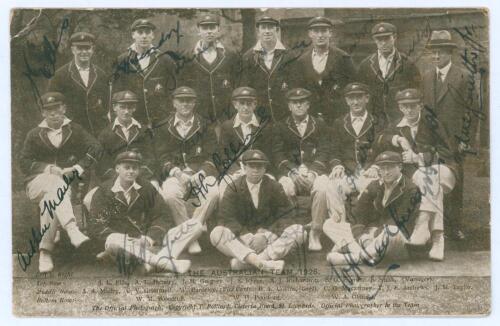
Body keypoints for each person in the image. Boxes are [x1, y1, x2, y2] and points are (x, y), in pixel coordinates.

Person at [19, 92, 102, 272]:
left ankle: (45, 252)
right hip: (36, 184)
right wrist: (48, 169)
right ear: (43, 113)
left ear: (64, 109)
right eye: (49, 111)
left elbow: (96, 148)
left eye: (57, 109)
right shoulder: (34, 134)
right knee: (55, 183)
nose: (54, 114)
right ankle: (72, 229)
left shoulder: (75, 130)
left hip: (63, 187)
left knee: (50, 200)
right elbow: (24, 162)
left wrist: (78, 168)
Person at [86, 151, 204, 274]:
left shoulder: (147, 187)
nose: (131, 171)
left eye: (135, 168)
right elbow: (96, 225)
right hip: (121, 243)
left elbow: (163, 215)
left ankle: (150, 264)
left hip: (146, 240)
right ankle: (164, 262)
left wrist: (148, 239)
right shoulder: (104, 191)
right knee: (114, 241)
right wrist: (127, 239)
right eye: (126, 167)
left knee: (195, 225)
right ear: (117, 168)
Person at [375, 88, 458, 260]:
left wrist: (419, 156)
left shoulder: (432, 122)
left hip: (444, 170)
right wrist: (396, 139)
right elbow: (379, 140)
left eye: (413, 106)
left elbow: (449, 153)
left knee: (430, 174)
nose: (409, 110)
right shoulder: (397, 127)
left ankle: (422, 225)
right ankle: (437, 239)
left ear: (421, 105)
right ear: (399, 108)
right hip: (422, 175)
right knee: (429, 179)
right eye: (405, 106)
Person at [309, 82, 385, 251]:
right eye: (351, 98)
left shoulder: (378, 122)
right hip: (348, 172)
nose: (355, 102)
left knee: (372, 187)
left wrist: (376, 166)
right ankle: (340, 234)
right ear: (346, 101)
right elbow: (334, 150)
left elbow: (383, 148)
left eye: (359, 97)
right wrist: (336, 165)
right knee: (332, 186)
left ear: (367, 99)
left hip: (369, 172)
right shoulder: (338, 123)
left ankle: (366, 233)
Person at [210, 150, 306, 274]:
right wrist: (247, 236)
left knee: (299, 231)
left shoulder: (274, 186)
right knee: (217, 232)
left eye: (259, 166)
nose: (255, 170)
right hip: (243, 241)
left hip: (268, 240)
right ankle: (261, 263)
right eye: (251, 166)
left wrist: (266, 236)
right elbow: (226, 217)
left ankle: (248, 263)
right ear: (244, 168)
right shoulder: (233, 187)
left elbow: (286, 216)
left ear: (265, 169)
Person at [422, 30, 476, 240]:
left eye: (441, 53)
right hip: (431, 139)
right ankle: (435, 227)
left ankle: (455, 227)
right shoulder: (427, 76)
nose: (436, 57)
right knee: (431, 180)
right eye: (433, 53)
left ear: (449, 53)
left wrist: (465, 139)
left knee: (455, 181)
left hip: (453, 140)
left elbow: (471, 111)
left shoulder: (464, 76)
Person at [325, 151, 421, 266]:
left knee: (391, 232)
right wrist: (362, 237)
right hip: (369, 236)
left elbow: (399, 222)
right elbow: (358, 214)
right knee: (329, 224)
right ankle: (367, 254)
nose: (386, 172)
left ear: (400, 167)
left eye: (390, 168)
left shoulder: (411, 189)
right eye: (382, 168)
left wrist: (373, 235)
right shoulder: (374, 185)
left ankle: (353, 257)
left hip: (397, 240)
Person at [156, 86, 220, 254]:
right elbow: (162, 157)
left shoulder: (205, 125)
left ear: (194, 103)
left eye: (189, 101)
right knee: (169, 194)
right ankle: (191, 236)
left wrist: (202, 173)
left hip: (200, 173)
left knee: (213, 192)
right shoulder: (163, 126)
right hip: (176, 174)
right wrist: (177, 172)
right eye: (181, 100)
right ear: (174, 103)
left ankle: (188, 235)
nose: (185, 104)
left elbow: (214, 156)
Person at [272, 88, 332, 249]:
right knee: (284, 187)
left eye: (302, 102)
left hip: (314, 171)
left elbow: (324, 150)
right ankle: (292, 232)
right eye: (294, 103)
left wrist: (313, 173)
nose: (298, 105)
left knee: (323, 187)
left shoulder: (319, 124)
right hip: (290, 173)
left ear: (308, 105)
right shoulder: (280, 126)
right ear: (289, 106)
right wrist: (292, 172)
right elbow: (277, 154)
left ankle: (315, 232)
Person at [176, 13, 240, 129]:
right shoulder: (187, 57)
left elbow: (237, 84)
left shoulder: (230, 55)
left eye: (212, 27)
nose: (209, 31)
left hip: (226, 116)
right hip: (198, 115)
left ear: (218, 30)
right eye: (205, 28)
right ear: (198, 30)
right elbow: (182, 87)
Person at [111, 19, 177, 129]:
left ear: (153, 35)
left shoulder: (164, 59)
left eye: (147, 32)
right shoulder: (122, 60)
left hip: (162, 120)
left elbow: (173, 90)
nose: (144, 36)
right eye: (140, 32)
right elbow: (116, 93)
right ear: (133, 35)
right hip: (133, 120)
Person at [288, 16, 356, 124]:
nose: (320, 35)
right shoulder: (301, 61)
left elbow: (353, 89)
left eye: (324, 31)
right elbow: (297, 90)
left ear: (330, 33)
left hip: (338, 118)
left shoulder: (343, 58)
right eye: (316, 31)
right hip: (311, 119)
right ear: (310, 34)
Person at [357, 22, 421, 124]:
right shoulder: (365, 65)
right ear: (374, 40)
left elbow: (417, 91)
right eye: (379, 39)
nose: (383, 43)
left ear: (394, 37)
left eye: (386, 38)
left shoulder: (408, 64)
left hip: (400, 119)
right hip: (374, 120)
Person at [48, 32, 109, 136]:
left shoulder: (101, 74)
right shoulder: (60, 75)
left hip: (97, 131)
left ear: (92, 49)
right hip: (71, 131)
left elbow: (107, 104)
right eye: (80, 48)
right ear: (73, 50)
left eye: (87, 48)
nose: (84, 52)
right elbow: (52, 106)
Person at [240, 16, 299, 122]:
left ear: (277, 30)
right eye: (263, 28)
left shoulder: (289, 55)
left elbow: (295, 86)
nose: (267, 31)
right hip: (259, 117)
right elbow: (246, 88)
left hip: (285, 116)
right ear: (258, 31)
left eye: (270, 27)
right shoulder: (248, 57)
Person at [217, 86, 274, 196]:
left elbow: (269, 154)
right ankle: (226, 213)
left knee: (270, 186)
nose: (245, 107)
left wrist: (257, 170)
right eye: (242, 103)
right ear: (235, 105)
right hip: (235, 171)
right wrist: (235, 171)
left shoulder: (264, 126)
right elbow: (223, 155)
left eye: (249, 103)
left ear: (255, 104)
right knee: (225, 185)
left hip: (258, 171)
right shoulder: (227, 126)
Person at [96, 91, 157, 183]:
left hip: (142, 178)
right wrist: (121, 177)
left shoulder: (144, 131)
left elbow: (151, 159)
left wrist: (137, 176)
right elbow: (102, 165)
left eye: (130, 107)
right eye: (122, 107)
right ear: (114, 108)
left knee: (155, 191)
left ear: (134, 108)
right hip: (115, 180)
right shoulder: (105, 134)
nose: (126, 111)